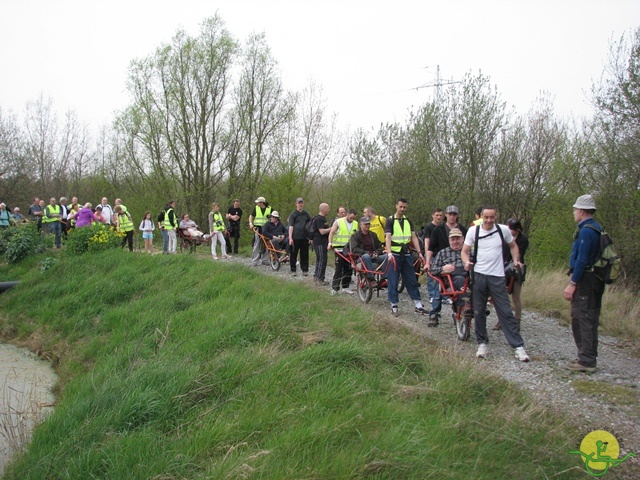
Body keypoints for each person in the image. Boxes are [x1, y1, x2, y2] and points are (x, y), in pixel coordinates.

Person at [461, 206, 530, 362]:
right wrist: (466, 263)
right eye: (486, 217)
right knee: (478, 310)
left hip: (497, 276)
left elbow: (513, 246)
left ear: (496, 217)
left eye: (492, 217)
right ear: (481, 217)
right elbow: (464, 251)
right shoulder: (474, 231)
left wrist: (516, 260)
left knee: (505, 311)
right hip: (478, 275)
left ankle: (518, 346)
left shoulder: (503, 230)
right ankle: (482, 344)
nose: (489, 220)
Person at [563, 194, 605, 373]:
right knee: (590, 317)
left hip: (586, 281)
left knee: (582, 317)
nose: (574, 213)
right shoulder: (596, 228)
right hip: (595, 279)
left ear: (581, 211)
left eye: (575, 210)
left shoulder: (587, 231)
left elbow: (582, 260)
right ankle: (587, 356)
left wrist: (572, 283)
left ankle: (586, 361)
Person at [385, 198, 428, 316]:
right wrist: (389, 253)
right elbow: (388, 237)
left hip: (406, 253)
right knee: (393, 280)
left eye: (404, 207)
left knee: (411, 279)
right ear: (396, 206)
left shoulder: (408, 221)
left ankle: (418, 304)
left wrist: (419, 252)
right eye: (401, 207)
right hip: (394, 254)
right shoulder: (390, 221)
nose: (402, 209)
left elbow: (413, 237)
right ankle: (393, 304)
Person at [426, 205, 468, 324]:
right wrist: (429, 263)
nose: (452, 216)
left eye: (454, 214)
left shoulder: (464, 231)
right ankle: (434, 312)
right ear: (446, 215)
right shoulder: (438, 230)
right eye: (450, 214)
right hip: (446, 268)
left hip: (465, 272)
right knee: (438, 285)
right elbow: (430, 247)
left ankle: (472, 310)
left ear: (462, 239)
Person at [493, 218, 529, 330]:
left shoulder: (523, 240)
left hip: (517, 268)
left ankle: (517, 321)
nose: (509, 231)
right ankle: (501, 320)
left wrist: (516, 262)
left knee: (516, 296)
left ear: (517, 229)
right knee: (502, 296)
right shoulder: (503, 238)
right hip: (503, 268)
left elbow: (519, 253)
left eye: (511, 229)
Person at [430, 228, 469, 322]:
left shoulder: (469, 251)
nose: (455, 242)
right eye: (453, 239)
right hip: (451, 279)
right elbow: (433, 271)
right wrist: (443, 269)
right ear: (449, 240)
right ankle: (464, 306)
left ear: (463, 239)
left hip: (468, 276)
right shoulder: (443, 253)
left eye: (457, 239)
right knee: (459, 279)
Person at [349, 217, 388, 284]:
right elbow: (354, 249)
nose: (367, 226)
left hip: (374, 256)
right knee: (366, 256)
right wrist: (368, 253)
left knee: (388, 256)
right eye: (365, 224)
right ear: (361, 225)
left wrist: (377, 252)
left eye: (368, 224)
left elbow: (380, 247)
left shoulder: (373, 235)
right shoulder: (355, 236)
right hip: (360, 258)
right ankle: (371, 279)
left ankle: (383, 279)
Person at [328, 208, 358, 294]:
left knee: (348, 268)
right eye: (350, 218)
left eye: (353, 218)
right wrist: (330, 243)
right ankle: (335, 288)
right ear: (347, 215)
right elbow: (331, 233)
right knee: (338, 268)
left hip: (349, 250)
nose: (352, 220)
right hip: (339, 248)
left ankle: (345, 287)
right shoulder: (338, 222)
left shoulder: (355, 224)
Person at [422, 208, 444, 306]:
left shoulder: (444, 227)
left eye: (440, 215)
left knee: (443, 276)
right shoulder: (429, 227)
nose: (439, 217)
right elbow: (427, 242)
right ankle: (432, 295)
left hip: (442, 255)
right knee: (431, 276)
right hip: (432, 254)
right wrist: (428, 257)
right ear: (433, 215)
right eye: (437, 215)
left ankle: (443, 296)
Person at [288, 198, 311, 277]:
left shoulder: (306, 214)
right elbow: (291, 226)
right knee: (293, 254)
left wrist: (310, 237)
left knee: (304, 254)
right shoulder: (293, 214)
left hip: (304, 237)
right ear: (296, 204)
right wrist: (290, 238)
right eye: (299, 203)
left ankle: (305, 270)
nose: (300, 204)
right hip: (295, 237)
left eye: (301, 203)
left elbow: (310, 226)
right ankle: (293, 270)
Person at [311, 203, 332, 285]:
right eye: (327, 208)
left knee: (322, 260)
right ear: (323, 209)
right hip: (319, 242)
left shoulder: (323, 218)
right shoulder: (319, 219)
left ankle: (318, 277)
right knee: (321, 260)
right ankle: (319, 279)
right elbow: (322, 231)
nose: (329, 209)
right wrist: (332, 228)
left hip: (323, 242)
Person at [249, 196, 272, 266]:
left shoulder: (270, 209)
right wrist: (250, 223)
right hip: (258, 228)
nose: (257, 203)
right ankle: (255, 260)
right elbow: (251, 216)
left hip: (266, 229)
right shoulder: (256, 208)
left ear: (262, 203)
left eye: (258, 202)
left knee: (266, 244)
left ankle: (265, 260)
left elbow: (274, 218)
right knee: (257, 244)